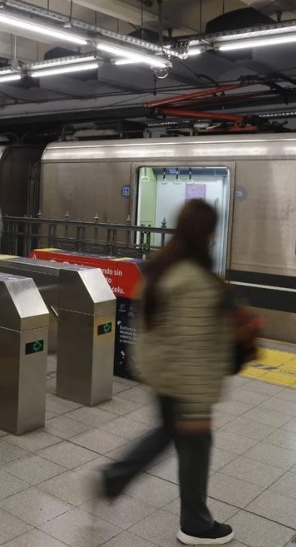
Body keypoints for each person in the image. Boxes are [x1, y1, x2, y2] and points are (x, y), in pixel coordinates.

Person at [98, 199, 235, 545]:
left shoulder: (163, 264)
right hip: (182, 382)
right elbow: (190, 344)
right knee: (195, 446)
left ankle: (113, 479)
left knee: (165, 435)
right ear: (207, 234)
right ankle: (196, 524)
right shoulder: (194, 279)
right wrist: (195, 404)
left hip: (161, 373)